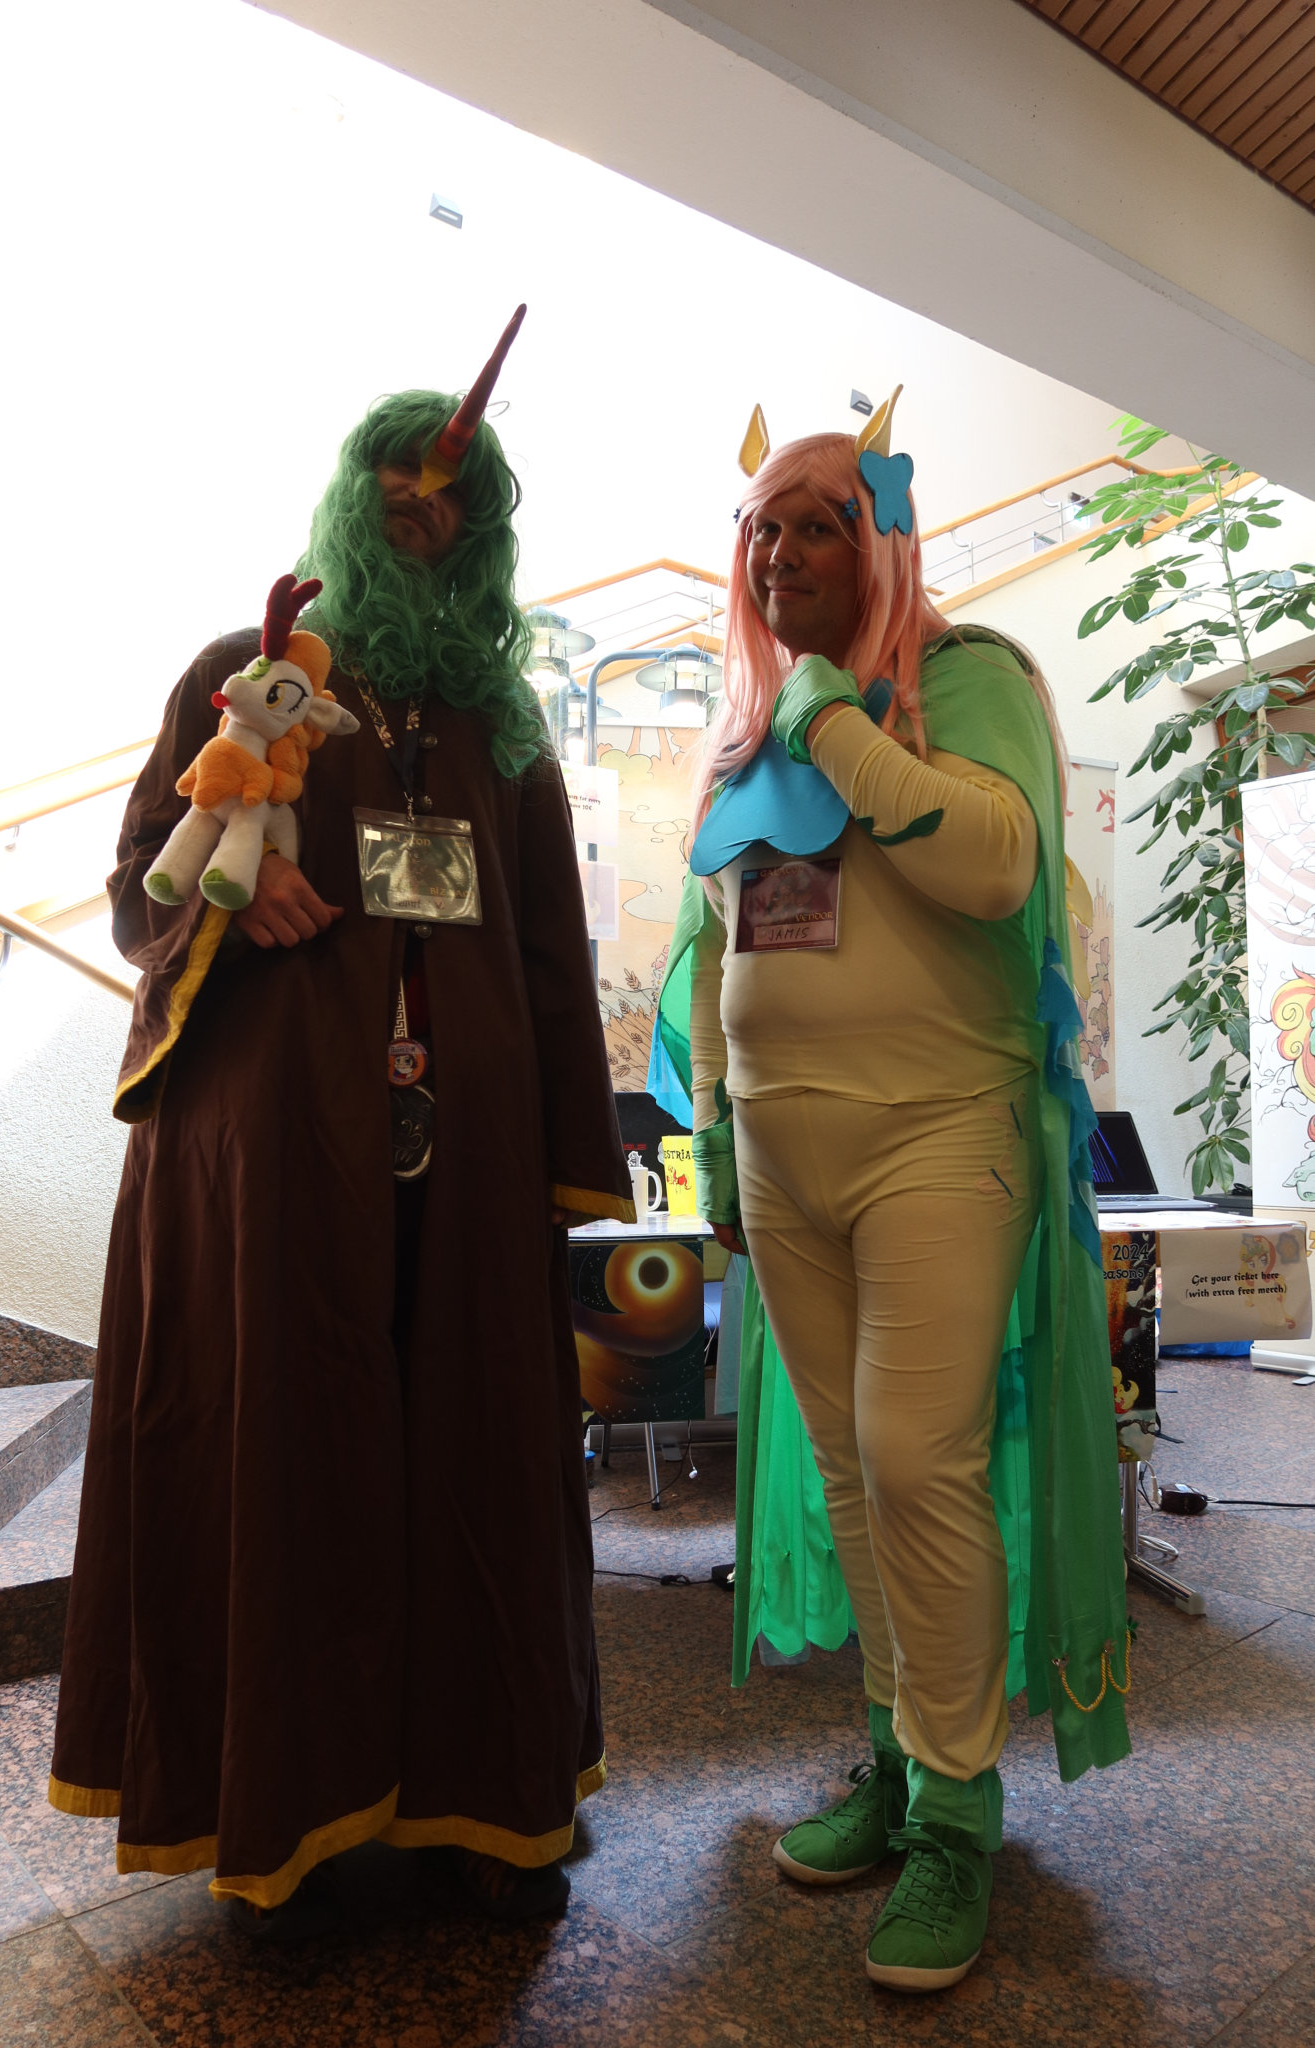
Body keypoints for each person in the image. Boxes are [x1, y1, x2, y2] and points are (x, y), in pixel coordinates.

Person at [49, 318, 633, 1936]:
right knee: (285, 1451)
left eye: (452, 503)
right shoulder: (243, 676)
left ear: (483, 535)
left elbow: (548, 948)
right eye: (396, 494)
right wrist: (239, 895)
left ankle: (484, 1798)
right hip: (278, 1145)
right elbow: (139, 894)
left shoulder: (503, 722)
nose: (421, 518)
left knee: (473, 1459)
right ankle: (284, 1813)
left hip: (473, 1150)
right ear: (350, 504)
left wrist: (565, 1159)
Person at [654, 395, 1128, 1993]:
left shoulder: (961, 676)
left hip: (941, 1132)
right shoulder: (744, 732)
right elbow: (718, 942)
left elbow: (994, 865)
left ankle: (959, 1818)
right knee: (855, 1478)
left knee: (918, 1459)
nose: (779, 550)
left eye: (819, 523)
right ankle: (900, 1759)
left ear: (885, 544)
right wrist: (718, 1137)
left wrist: (833, 722)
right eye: (760, 528)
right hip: (784, 1160)